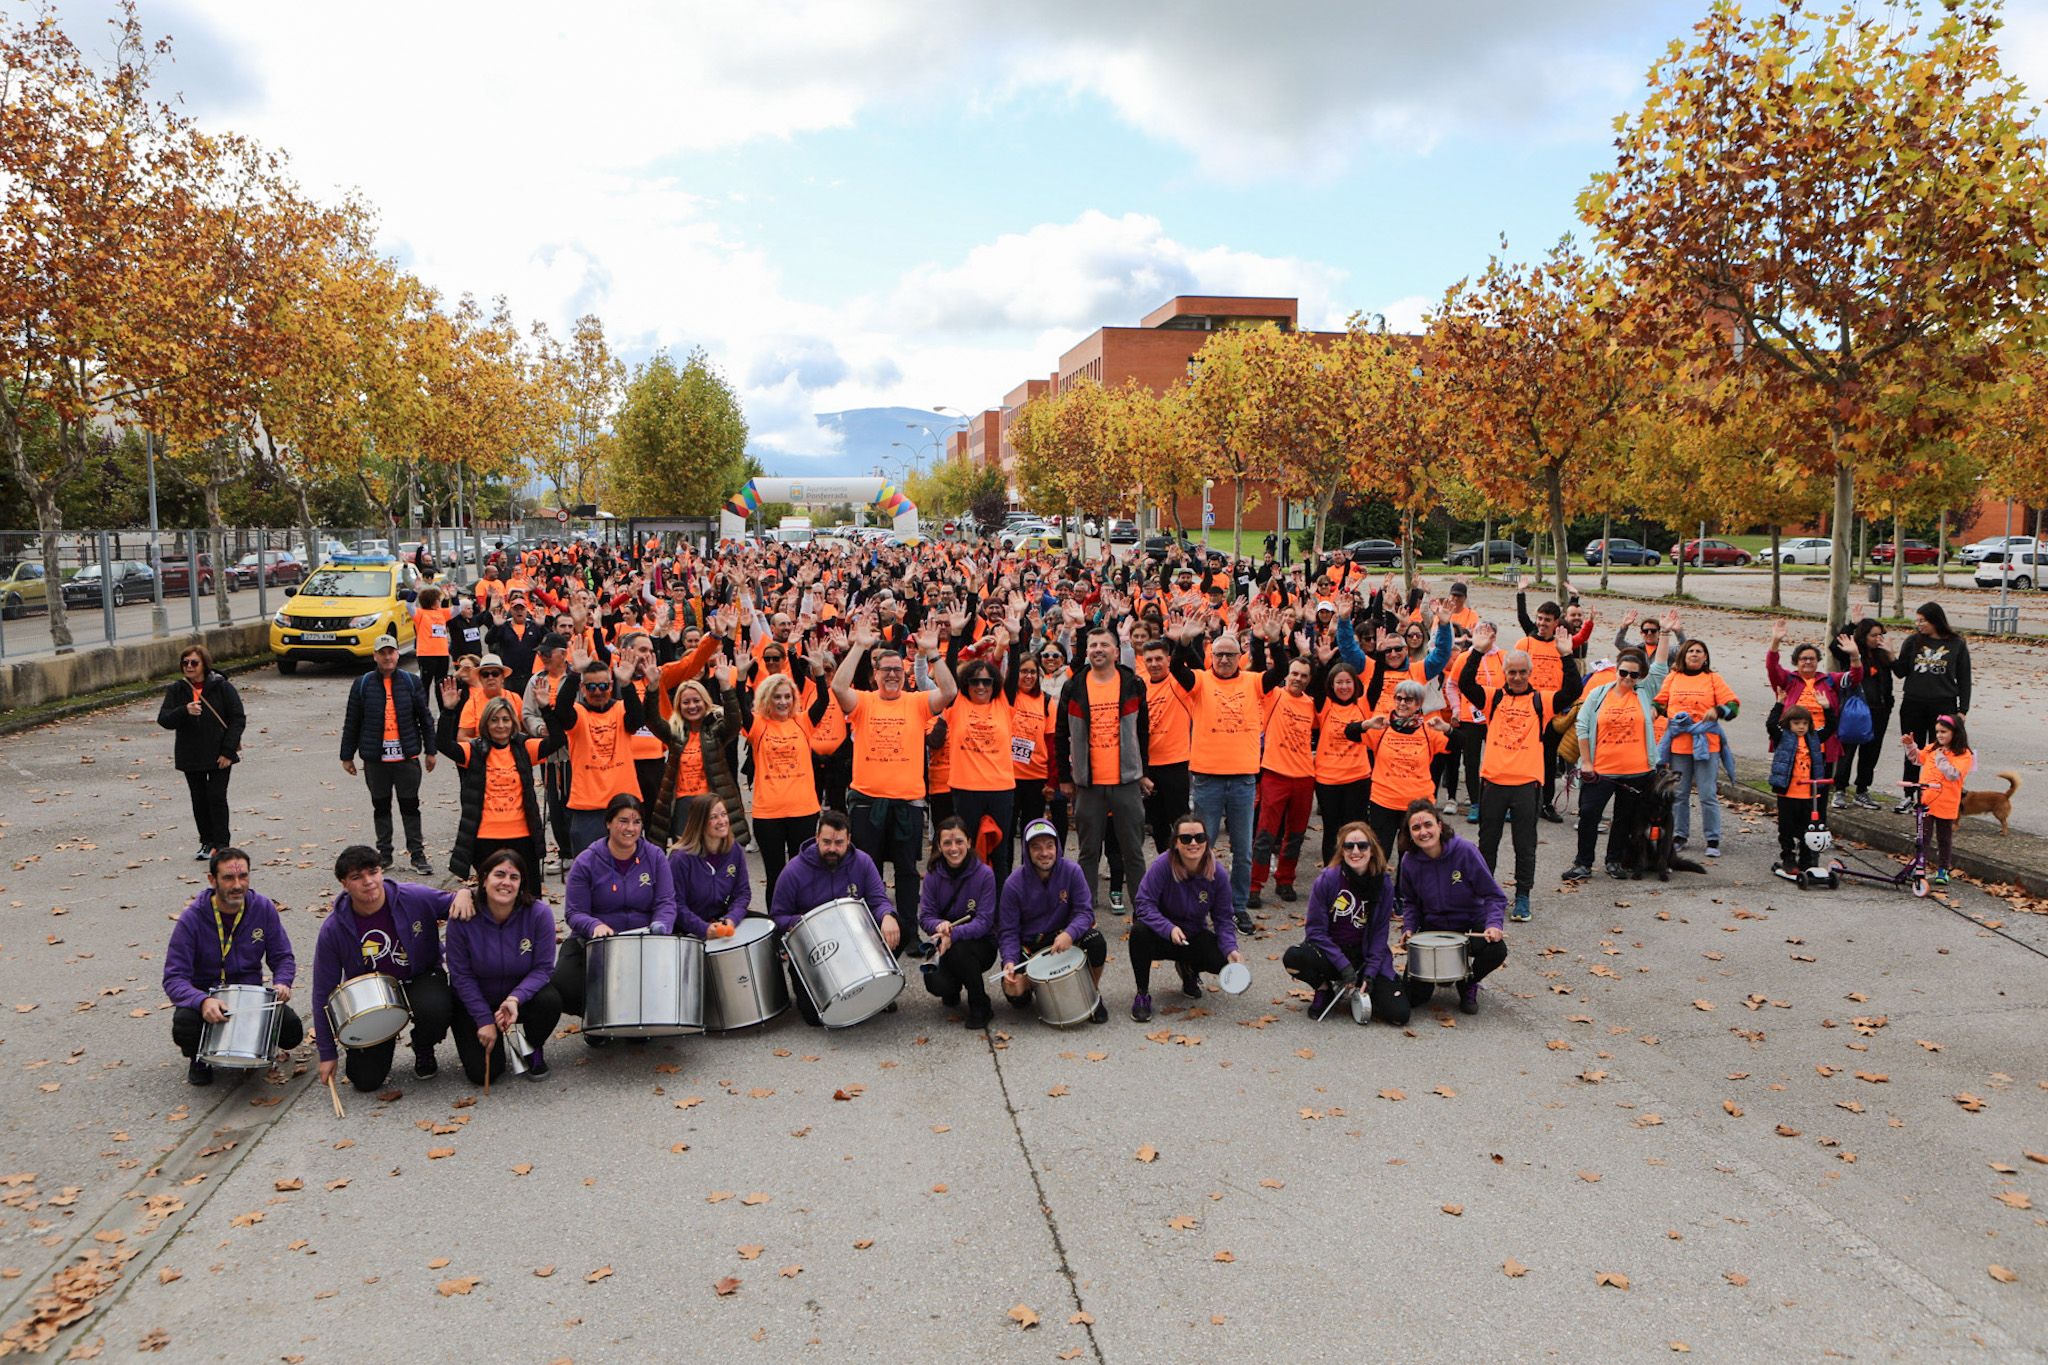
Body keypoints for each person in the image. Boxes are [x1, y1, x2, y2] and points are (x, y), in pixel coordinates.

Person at [831, 617, 957, 958]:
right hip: (867, 803)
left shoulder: (916, 702)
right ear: (875, 675)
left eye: (897, 671)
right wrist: (858, 646)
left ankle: (909, 933)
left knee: (905, 872)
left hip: (907, 803)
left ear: (905, 675)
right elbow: (838, 688)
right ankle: (867, 929)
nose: (891, 675)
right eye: (885, 670)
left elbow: (949, 692)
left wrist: (933, 654)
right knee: (866, 869)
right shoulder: (863, 702)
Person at [311, 845, 462, 1091]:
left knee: (436, 1008)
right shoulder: (333, 929)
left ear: (381, 871)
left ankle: (423, 1045)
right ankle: (384, 1040)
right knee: (365, 1080)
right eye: (357, 877)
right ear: (344, 884)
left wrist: (464, 894)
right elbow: (322, 992)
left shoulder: (413, 896)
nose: (368, 882)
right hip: (373, 995)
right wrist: (327, 1053)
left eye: (373, 872)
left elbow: (459, 902)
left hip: (421, 976)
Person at [1457, 626, 1579, 923]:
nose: (1517, 677)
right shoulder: (1492, 698)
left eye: (1522, 672)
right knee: (1487, 844)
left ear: (1530, 673)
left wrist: (1567, 656)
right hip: (1495, 783)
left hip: (1526, 784)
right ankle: (1485, 895)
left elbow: (1573, 691)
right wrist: (1477, 650)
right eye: (1512, 672)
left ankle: (1523, 895)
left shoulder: (1542, 701)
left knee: (1525, 845)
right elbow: (1464, 683)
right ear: (1504, 672)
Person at [164, 847, 302, 1086]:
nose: (238, 884)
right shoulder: (192, 919)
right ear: (212, 879)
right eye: (228, 877)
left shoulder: (262, 908)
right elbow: (174, 978)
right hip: (208, 998)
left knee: (292, 1033)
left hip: (249, 998)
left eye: (243, 876)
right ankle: (199, 1059)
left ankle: (253, 1041)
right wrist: (201, 1001)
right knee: (185, 1024)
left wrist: (283, 982)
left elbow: (282, 956)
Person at [551, 794, 678, 1036]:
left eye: (637, 822)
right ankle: (595, 1016)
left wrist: (661, 924)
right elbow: (574, 912)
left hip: (642, 941)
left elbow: (665, 901)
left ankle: (637, 1017)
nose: (630, 828)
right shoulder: (586, 861)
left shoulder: (655, 856)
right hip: (596, 942)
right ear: (608, 823)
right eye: (623, 821)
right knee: (563, 984)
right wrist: (593, 925)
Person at [1167, 621, 1266, 933]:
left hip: (1243, 779)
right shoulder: (1200, 681)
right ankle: (1197, 906)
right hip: (1208, 778)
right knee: (1199, 846)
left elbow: (1278, 672)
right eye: (1219, 654)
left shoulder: (1253, 681)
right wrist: (1183, 643)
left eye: (1230, 655)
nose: (1224, 660)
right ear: (1211, 656)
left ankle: (1237, 907)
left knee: (1243, 849)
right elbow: (1177, 668)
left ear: (1240, 657)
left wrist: (1272, 641)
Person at [767, 810, 902, 1027]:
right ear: (817, 837)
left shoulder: (863, 862)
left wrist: (887, 915)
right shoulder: (794, 871)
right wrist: (805, 922)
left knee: (898, 925)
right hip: (815, 951)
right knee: (814, 1018)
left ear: (848, 840)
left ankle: (879, 986)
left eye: (839, 843)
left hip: (855, 944)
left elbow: (879, 900)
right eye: (827, 842)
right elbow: (778, 917)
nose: (832, 849)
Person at [1055, 626, 1151, 923]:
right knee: (1088, 852)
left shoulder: (1132, 683)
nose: (1098, 649)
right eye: (1093, 644)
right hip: (1089, 784)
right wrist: (1065, 777)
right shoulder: (1074, 686)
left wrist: (1144, 771)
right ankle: (1084, 912)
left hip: (1126, 781)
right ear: (1087, 651)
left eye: (1104, 645)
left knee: (1133, 850)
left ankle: (1144, 911)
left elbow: (1143, 730)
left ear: (1115, 650)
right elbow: (1061, 733)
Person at [445, 848, 559, 1084]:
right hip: (477, 999)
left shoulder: (539, 914)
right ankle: (486, 1032)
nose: (506, 882)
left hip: (519, 998)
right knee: (484, 1075)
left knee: (550, 1000)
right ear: (484, 879)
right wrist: (484, 1019)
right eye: (499, 875)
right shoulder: (463, 915)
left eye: (514, 877)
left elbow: (543, 968)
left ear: (521, 884)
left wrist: (515, 998)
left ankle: (532, 1046)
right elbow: (461, 976)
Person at [1563, 637, 1671, 882]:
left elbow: (1661, 666)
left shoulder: (1644, 693)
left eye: (1634, 675)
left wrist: (1665, 632)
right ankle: (1583, 864)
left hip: (1637, 772)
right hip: (1601, 770)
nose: (1628, 679)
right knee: (1589, 814)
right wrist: (1587, 762)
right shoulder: (1598, 694)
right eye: (1624, 672)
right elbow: (1583, 727)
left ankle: (1614, 861)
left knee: (1624, 818)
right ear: (1616, 670)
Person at [1284, 821, 1408, 1025]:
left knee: (1399, 1015)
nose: (1355, 851)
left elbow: (1379, 934)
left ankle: (1364, 988)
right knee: (1294, 957)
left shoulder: (1384, 884)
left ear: (1372, 848)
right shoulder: (1327, 880)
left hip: (1365, 955)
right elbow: (1315, 931)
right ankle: (1323, 987)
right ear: (1342, 851)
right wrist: (1343, 966)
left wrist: (1370, 972)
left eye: (1362, 845)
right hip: (1333, 954)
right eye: (1349, 846)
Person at [1128, 813, 1243, 1023]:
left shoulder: (1217, 873)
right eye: (1186, 838)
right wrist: (1167, 928)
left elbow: (1224, 918)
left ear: (1206, 841)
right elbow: (1143, 904)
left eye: (1199, 838)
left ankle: (1188, 968)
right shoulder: (1163, 865)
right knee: (1138, 933)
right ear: (1176, 844)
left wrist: (1231, 949)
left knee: (1222, 959)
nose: (1193, 843)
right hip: (1160, 933)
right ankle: (1142, 993)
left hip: (1192, 934)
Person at [1395, 801, 1507, 1014]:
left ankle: (1467, 982)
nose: (1424, 832)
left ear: (1439, 825)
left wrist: (1494, 925)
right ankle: (1444, 974)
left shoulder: (1465, 851)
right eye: (1416, 828)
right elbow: (1410, 902)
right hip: (1434, 928)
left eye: (1428, 825)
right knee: (1415, 998)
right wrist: (1408, 928)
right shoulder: (1409, 861)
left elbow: (1493, 895)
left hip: (1470, 924)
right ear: (1409, 833)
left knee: (1497, 950)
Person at [338, 635, 437, 876]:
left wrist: (430, 751)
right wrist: (346, 755)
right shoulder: (362, 684)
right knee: (380, 806)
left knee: (410, 806)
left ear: (397, 655)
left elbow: (425, 718)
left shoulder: (411, 682)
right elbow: (352, 721)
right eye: (382, 652)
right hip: (376, 759)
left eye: (391, 652)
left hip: (406, 758)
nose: (387, 656)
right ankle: (384, 855)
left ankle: (417, 855)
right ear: (375, 656)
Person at [998, 818, 1110, 1023]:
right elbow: (1008, 931)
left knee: (1096, 940)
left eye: (1049, 846)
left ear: (1057, 846)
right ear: (1027, 850)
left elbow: (1085, 912)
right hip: (1030, 944)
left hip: (1063, 936)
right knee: (1016, 996)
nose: (1044, 853)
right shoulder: (1013, 884)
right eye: (1036, 847)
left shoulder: (1072, 871)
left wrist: (1070, 933)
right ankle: (1036, 987)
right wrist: (1009, 961)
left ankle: (1092, 993)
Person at [436, 679, 546, 885]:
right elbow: (443, 744)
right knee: (492, 898)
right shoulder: (474, 750)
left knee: (527, 899)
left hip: (522, 835)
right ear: (486, 723)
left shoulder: (524, 748)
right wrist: (449, 711)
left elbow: (557, 741)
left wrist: (545, 708)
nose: (501, 725)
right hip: (485, 837)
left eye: (506, 719)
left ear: (513, 722)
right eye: (494, 720)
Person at [546, 650, 654, 857]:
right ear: (582, 688)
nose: (598, 691)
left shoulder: (621, 709)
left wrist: (627, 684)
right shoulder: (578, 713)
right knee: (589, 869)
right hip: (587, 806)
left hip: (623, 802)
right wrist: (575, 673)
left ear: (611, 686)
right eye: (591, 687)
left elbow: (637, 720)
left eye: (604, 686)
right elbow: (561, 712)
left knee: (628, 866)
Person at [746, 669, 836, 905]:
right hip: (768, 814)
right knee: (776, 876)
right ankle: (777, 931)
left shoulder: (803, 722)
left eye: (787, 696)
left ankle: (802, 929)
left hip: (803, 811)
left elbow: (824, 700)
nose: (783, 702)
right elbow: (737, 711)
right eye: (777, 697)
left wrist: (817, 673)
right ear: (767, 699)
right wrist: (736, 679)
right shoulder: (758, 725)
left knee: (804, 873)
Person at [1653, 637, 1739, 859]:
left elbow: (1733, 705)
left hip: (1706, 744)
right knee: (1680, 793)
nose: (1694, 654)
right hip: (1679, 745)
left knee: (1707, 793)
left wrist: (1718, 711)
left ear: (1705, 657)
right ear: (1683, 655)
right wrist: (1657, 711)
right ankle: (1679, 835)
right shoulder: (1673, 677)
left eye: (1699, 651)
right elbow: (1660, 702)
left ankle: (1712, 838)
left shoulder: (1713, 678)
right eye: (1690, 650)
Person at [158, 645, 245, 861]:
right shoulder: (177, 690)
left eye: (193, 663)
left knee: (216, 797)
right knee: (199, 799)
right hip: (191, 755)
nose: (189, 666)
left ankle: (222, 844)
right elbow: (164, 719)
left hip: (219, 754)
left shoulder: (221, 686)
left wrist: (228, 750)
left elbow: (237, 718)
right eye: (185, 662)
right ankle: (206, 841)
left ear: (204, 664)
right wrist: (184, 711)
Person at [918, 816, 1001, 1029]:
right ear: (939, 845)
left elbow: (984, 921)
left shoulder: (985, 874)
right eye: (947, 843)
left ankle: (980, 1004)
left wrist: (952, 934)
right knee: (936, 983)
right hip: (944, 939)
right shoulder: (933, 875)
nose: (953, 848)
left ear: (969, 842)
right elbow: (925, 916)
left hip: (980, 944)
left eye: (959, 842)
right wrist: (939, 926)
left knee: (960, 951)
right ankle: (952, 988)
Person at [1891, 603, 1971, 814]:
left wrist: (1963, 709)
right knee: (1913, 749)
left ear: (1935, 620)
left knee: (1940, 751)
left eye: (1922, 621)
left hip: (1943, 704)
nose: (1918, 625)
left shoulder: (1956, 644)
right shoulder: (1912, 641)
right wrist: (1890, 656)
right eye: (1916, 621)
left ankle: (1934, 795)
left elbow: (1964, 678)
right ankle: (1909, 795)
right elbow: (1900, 672)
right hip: (1913, 703)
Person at [1361, 680, 1452, 861]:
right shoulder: (1381, 727)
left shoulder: (1429, 730)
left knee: (1411, 858)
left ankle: (1406, 890)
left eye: (1409, 700)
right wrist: (1366, 724)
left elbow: (1459, 744)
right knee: (1378, 856)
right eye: (1399, 698)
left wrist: (1447, 728)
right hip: (1383, 801)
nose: (1402, 703)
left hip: (1417, 804)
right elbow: (1349, 732)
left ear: (1418, 704)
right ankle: (1380, 890)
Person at [522, 633, 575, 874]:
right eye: (540, 653)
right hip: (550, 753)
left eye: (547, 653)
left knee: (574, 802)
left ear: (562, 654)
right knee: (554, 802)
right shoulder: (536, 680)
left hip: (576, 752)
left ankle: (579, 852)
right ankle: (564, 853)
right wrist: (539, 728)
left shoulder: (576, 678)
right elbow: (527, 714)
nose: (542, 657)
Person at [1901, 714, 1974, 885]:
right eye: (1937, 732)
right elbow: (1917, 758)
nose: (1940, 735)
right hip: (1927, 801)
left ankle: (1943, 869)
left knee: (1944, 838)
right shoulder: (1933, 748)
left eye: (1944, 732)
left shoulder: (1964, 754)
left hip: (1947, 803)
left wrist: (1941, 757)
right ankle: (1919, 865)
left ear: (1955, 733)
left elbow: (1953, 774)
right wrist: (1910, 745)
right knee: (1922, 837)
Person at [1830, 618, 1894, 810]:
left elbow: (1896, 673)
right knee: (1848, 749)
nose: (1877, 639)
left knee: (1871, 751)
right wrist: (1851, 624)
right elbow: (1835, 646)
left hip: (1879, 711)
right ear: (1863, 636)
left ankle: (1862, 790)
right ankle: (1840, 789)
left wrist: (1892, 654)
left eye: (1880, 635)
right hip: (1855, 711)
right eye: (1873, 635)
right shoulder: (1852, 653)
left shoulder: (1882, 655)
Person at [1138, 638, 1194, 857]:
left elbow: (1196, 669)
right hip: (1149, 766)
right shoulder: (1140, 684)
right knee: (1157, 824)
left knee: (1180, 821)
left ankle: (1188, 862)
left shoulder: (1177, 682)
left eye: (1159, 659)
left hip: (1176, 763)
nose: (1154, 664)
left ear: (1169, 660)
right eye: (1149, 659)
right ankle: (1166, 865)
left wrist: (1185, 640)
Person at [668, 794, 751, 937]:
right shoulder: (679, 859)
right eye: (713, 817)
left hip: (721, 919)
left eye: (723, 814)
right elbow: (675, 904)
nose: (722, 821)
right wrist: (703, 928)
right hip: (687, 929)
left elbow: (742, 893)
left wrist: (731, 918)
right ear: (699, 822)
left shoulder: (734, 850)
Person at [1769, 705, 1827, 882]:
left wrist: (1827, 708)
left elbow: (1831, 726)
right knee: (1786, 829)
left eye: (1805, 723)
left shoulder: (1814, 738)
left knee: (1807, 831)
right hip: (1788, 794)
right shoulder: (1783, 737)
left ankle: (1805, 861)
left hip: (1809, 795)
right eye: (1796, 723)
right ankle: (1788, 858)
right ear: (1788, 724)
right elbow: (1771, 725)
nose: (1801, 727)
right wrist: (1779, 704)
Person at [411, 586, 453, 717]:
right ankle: (423, 712)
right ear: (433, 601)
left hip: (442, 654)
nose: (440, 602)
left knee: (441, 684)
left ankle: (443, 711)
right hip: (426, 654)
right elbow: (408, 606)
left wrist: (453, 596)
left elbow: (456, 609)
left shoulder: (441, 612)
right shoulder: (420, 613)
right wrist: (414, 591)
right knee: (425, 684)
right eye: (438, 599)